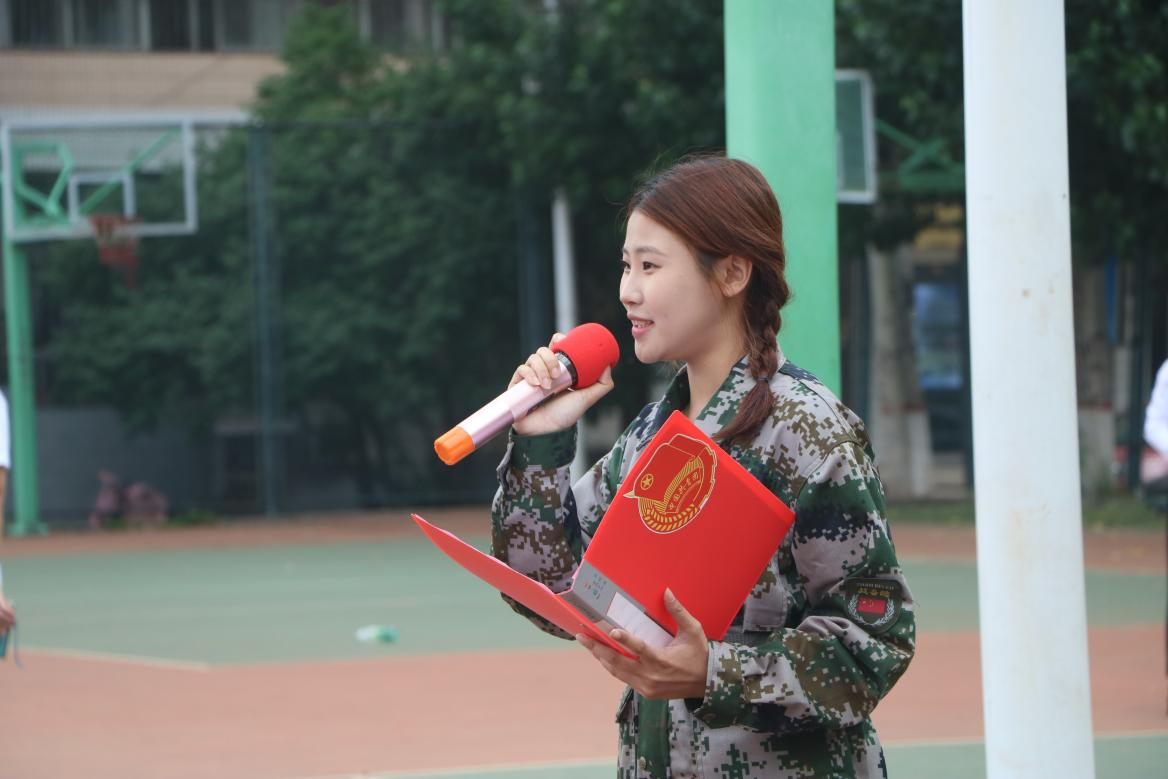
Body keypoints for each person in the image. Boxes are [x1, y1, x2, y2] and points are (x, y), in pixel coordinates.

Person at [491, 156, 915, 778]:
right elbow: (555, 591)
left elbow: (874, 642)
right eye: (626, 265)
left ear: (733, 273)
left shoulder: (808, 432)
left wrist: (713, 674)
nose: (627, 291)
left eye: (650, 266)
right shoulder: (652, 436)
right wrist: (540, 444)